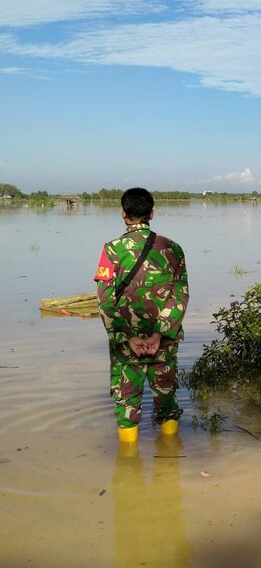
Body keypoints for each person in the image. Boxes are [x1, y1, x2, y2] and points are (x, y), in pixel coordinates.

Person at [94, 188, 189, 443]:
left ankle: (127, 467)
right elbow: (180, 296)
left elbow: (105, 300)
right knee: (166, 399)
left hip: (127, 345)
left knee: (126, 403)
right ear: (152, 213)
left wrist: (127, 338)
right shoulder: (173, 249)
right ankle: (170, 462)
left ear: (124, 214)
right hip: (164, 342)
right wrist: (159, 334)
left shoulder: (112, 250)